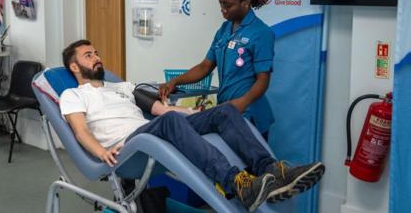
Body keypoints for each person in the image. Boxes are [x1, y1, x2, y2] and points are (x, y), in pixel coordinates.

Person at [59, 39, 325, 211]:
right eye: (87, 55)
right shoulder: (72, 95)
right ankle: (238, 183)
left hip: (152, 135)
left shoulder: (122, 87)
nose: (96, 57)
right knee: (170, 121)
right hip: (131, 147)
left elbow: (163, 110)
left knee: (225, 111)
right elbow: (80, 131)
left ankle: (273, 171)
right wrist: (100, 152)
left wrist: (197, 112)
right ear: (74, 66)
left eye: (96, 52)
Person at [159, 0, 275, 139]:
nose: (223, 9)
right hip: (226, 110)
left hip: (249, 112)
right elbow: (205, 66)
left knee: (251, 163)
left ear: (246, 2)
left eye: (228, 5)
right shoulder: (224, 30)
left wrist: (241, 103)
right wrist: (174, 81)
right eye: (220, 3)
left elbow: (263, 81)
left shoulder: (261, 33)